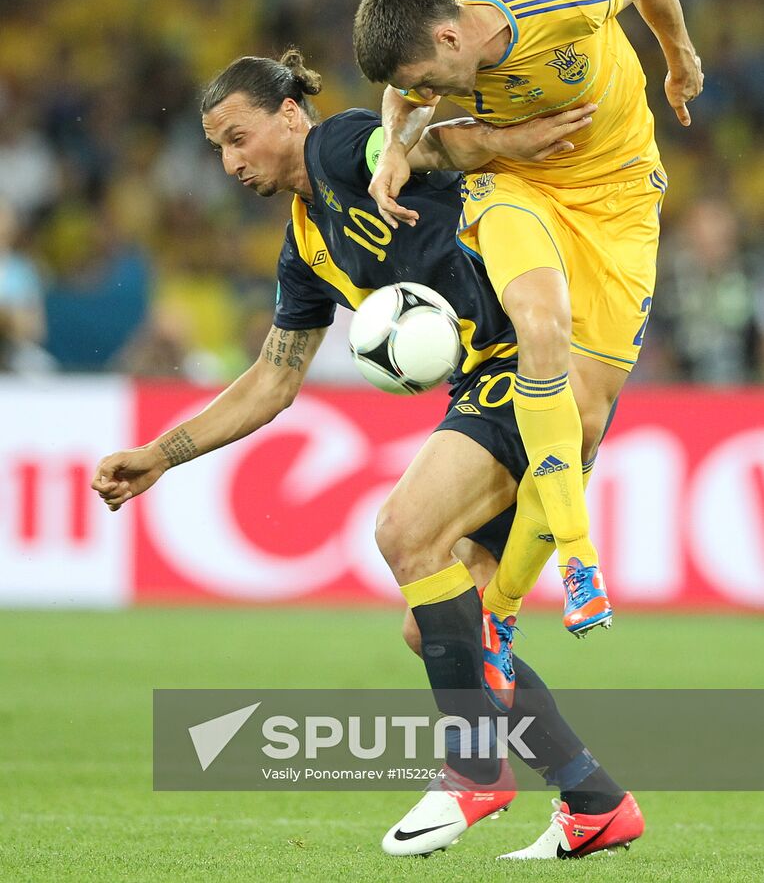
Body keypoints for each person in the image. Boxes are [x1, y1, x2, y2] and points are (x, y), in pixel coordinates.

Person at [91, 51, 643, 858]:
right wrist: (162, 453)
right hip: (483, 385)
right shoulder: (305, 247)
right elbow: (272, 382)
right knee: (448, 630)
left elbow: (435, 145)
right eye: (218, 149)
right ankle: (594, 801)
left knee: (403, 531)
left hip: (528, 365)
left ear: (288, 115)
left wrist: (516, 139)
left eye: (239, 138)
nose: (231, 162)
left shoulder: (344, 146)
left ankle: (473, 771)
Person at [353, 0, 703, 639]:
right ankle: (580, 556)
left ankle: (504, 612)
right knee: (540, 324)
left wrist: (679, 57)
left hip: (617, 197)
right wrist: (395, 143)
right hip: (518, 186)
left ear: (451, 36)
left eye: (431, 78)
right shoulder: (431, 62)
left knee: (588, 415)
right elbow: (404, 93)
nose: (429, 94)